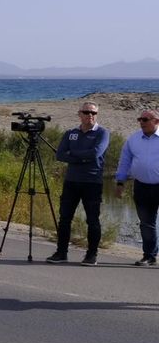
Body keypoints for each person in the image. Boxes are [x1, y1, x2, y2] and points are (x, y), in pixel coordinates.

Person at [48, 102, 111, 266]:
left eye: (94, 113)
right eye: (86, 112)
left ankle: (91, 255)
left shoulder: (102, 133)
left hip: (92, 182)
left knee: (92, 220)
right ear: (79, 114)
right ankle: (61, 253)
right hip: (71, 181)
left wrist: (73, 155)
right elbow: (60, 155)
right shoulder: (71, 133)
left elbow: (95, 153)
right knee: (65, 218)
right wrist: (82, 158)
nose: (90, 115)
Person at [115, 108, 159, 266]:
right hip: (142, 186)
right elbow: (125, 161)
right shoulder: (134, 139)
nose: (141, 122)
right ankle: (149, 256)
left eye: (145, 120)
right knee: (146, 223)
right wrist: (120, 182)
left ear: (156, 121)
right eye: (140, 119)